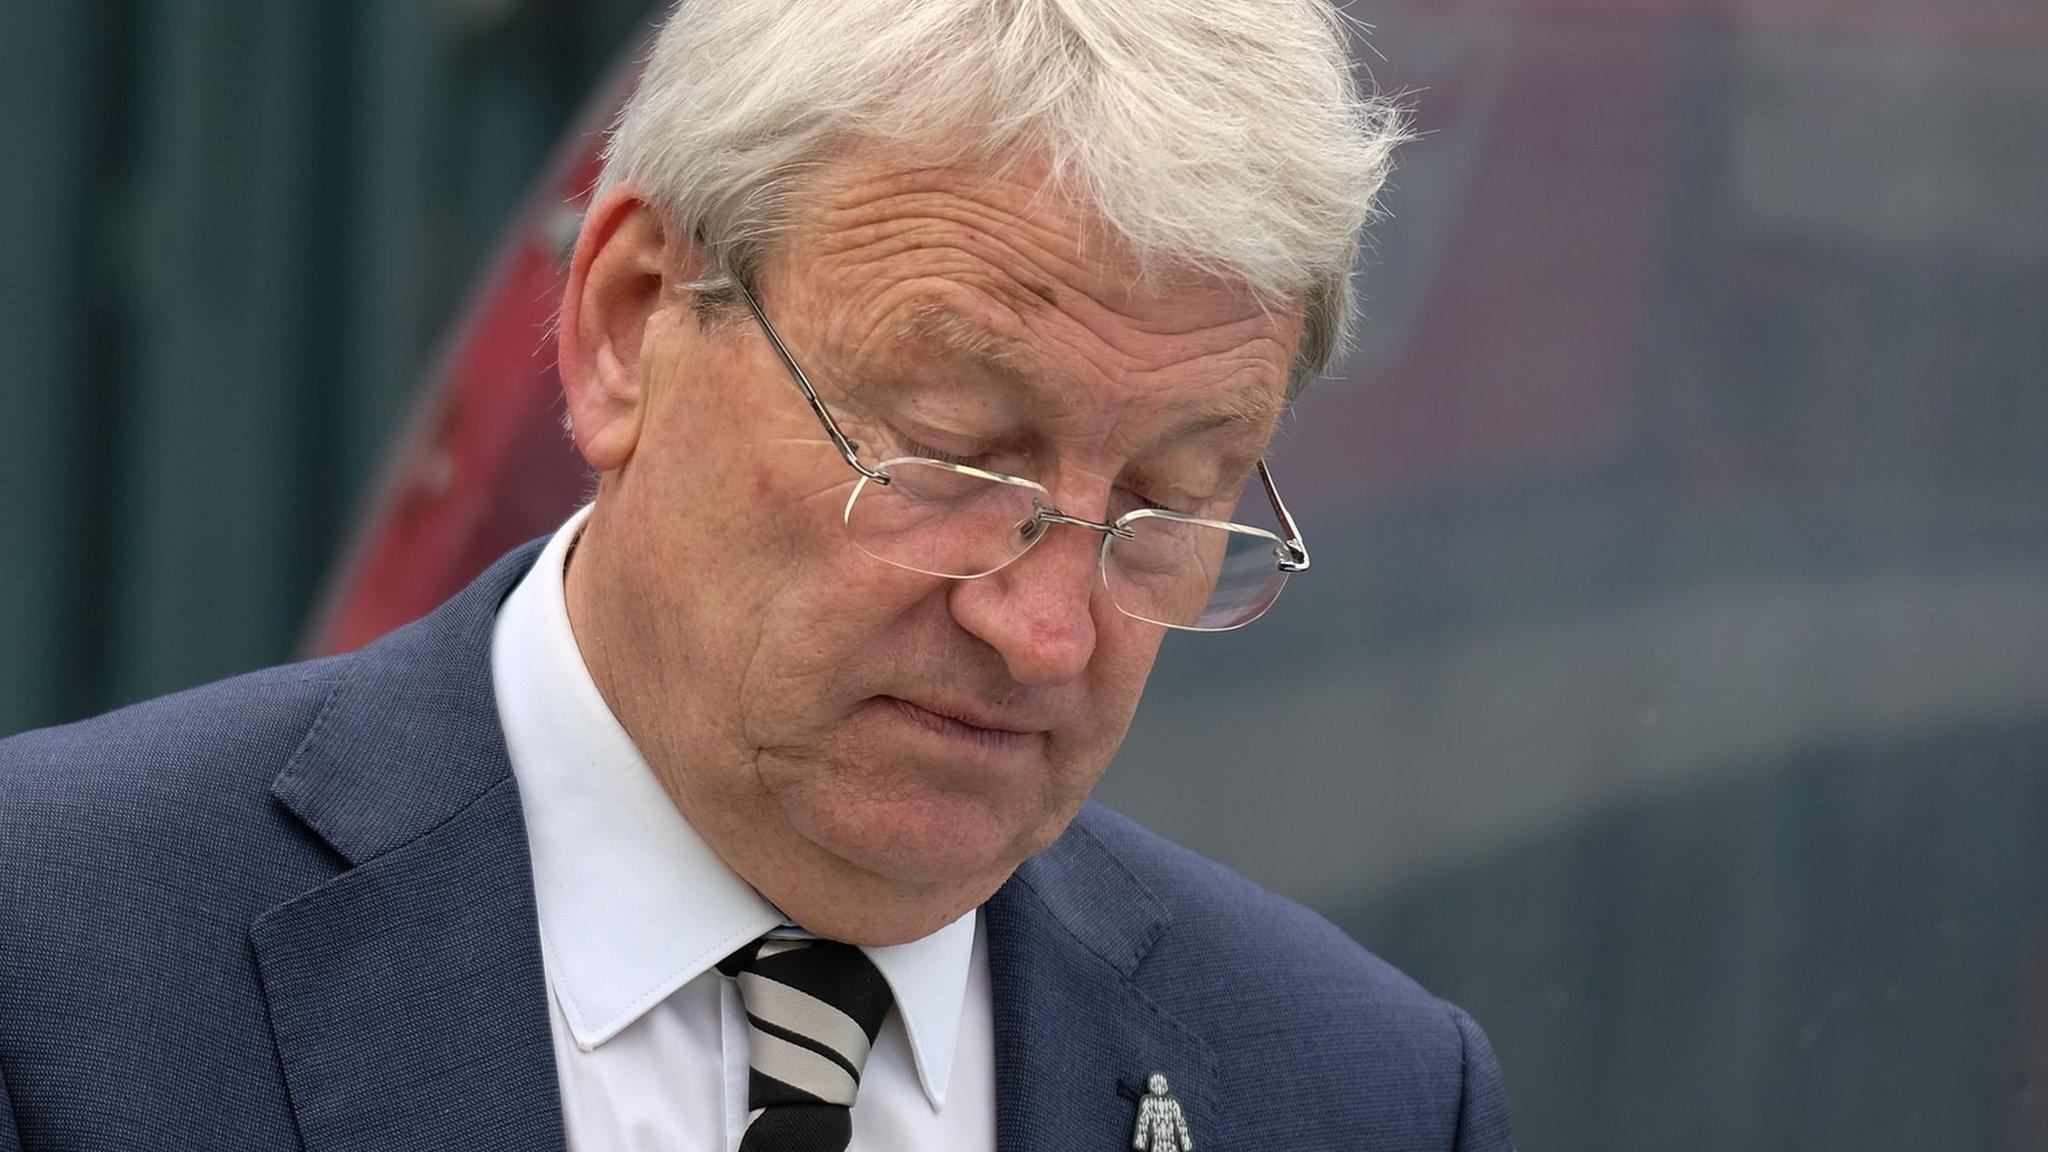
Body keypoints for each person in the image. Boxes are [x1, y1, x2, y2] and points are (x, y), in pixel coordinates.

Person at [0, 1, 1514, 1149]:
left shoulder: (1361, 1092)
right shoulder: (55, 960)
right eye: (950, 457)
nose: (1049, 632)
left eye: (1169, 500)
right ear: (627, 322)